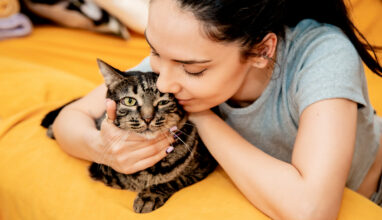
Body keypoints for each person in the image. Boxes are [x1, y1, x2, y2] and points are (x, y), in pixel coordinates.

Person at [52, 0, 382, 219]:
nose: (164, 83)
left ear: (261, 51)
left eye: (192, 70)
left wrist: (199, 115)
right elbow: (70, 120)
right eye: (154, 51)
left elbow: (312, 210)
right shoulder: (179, 55)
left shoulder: (324, 55)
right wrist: (104, 149)